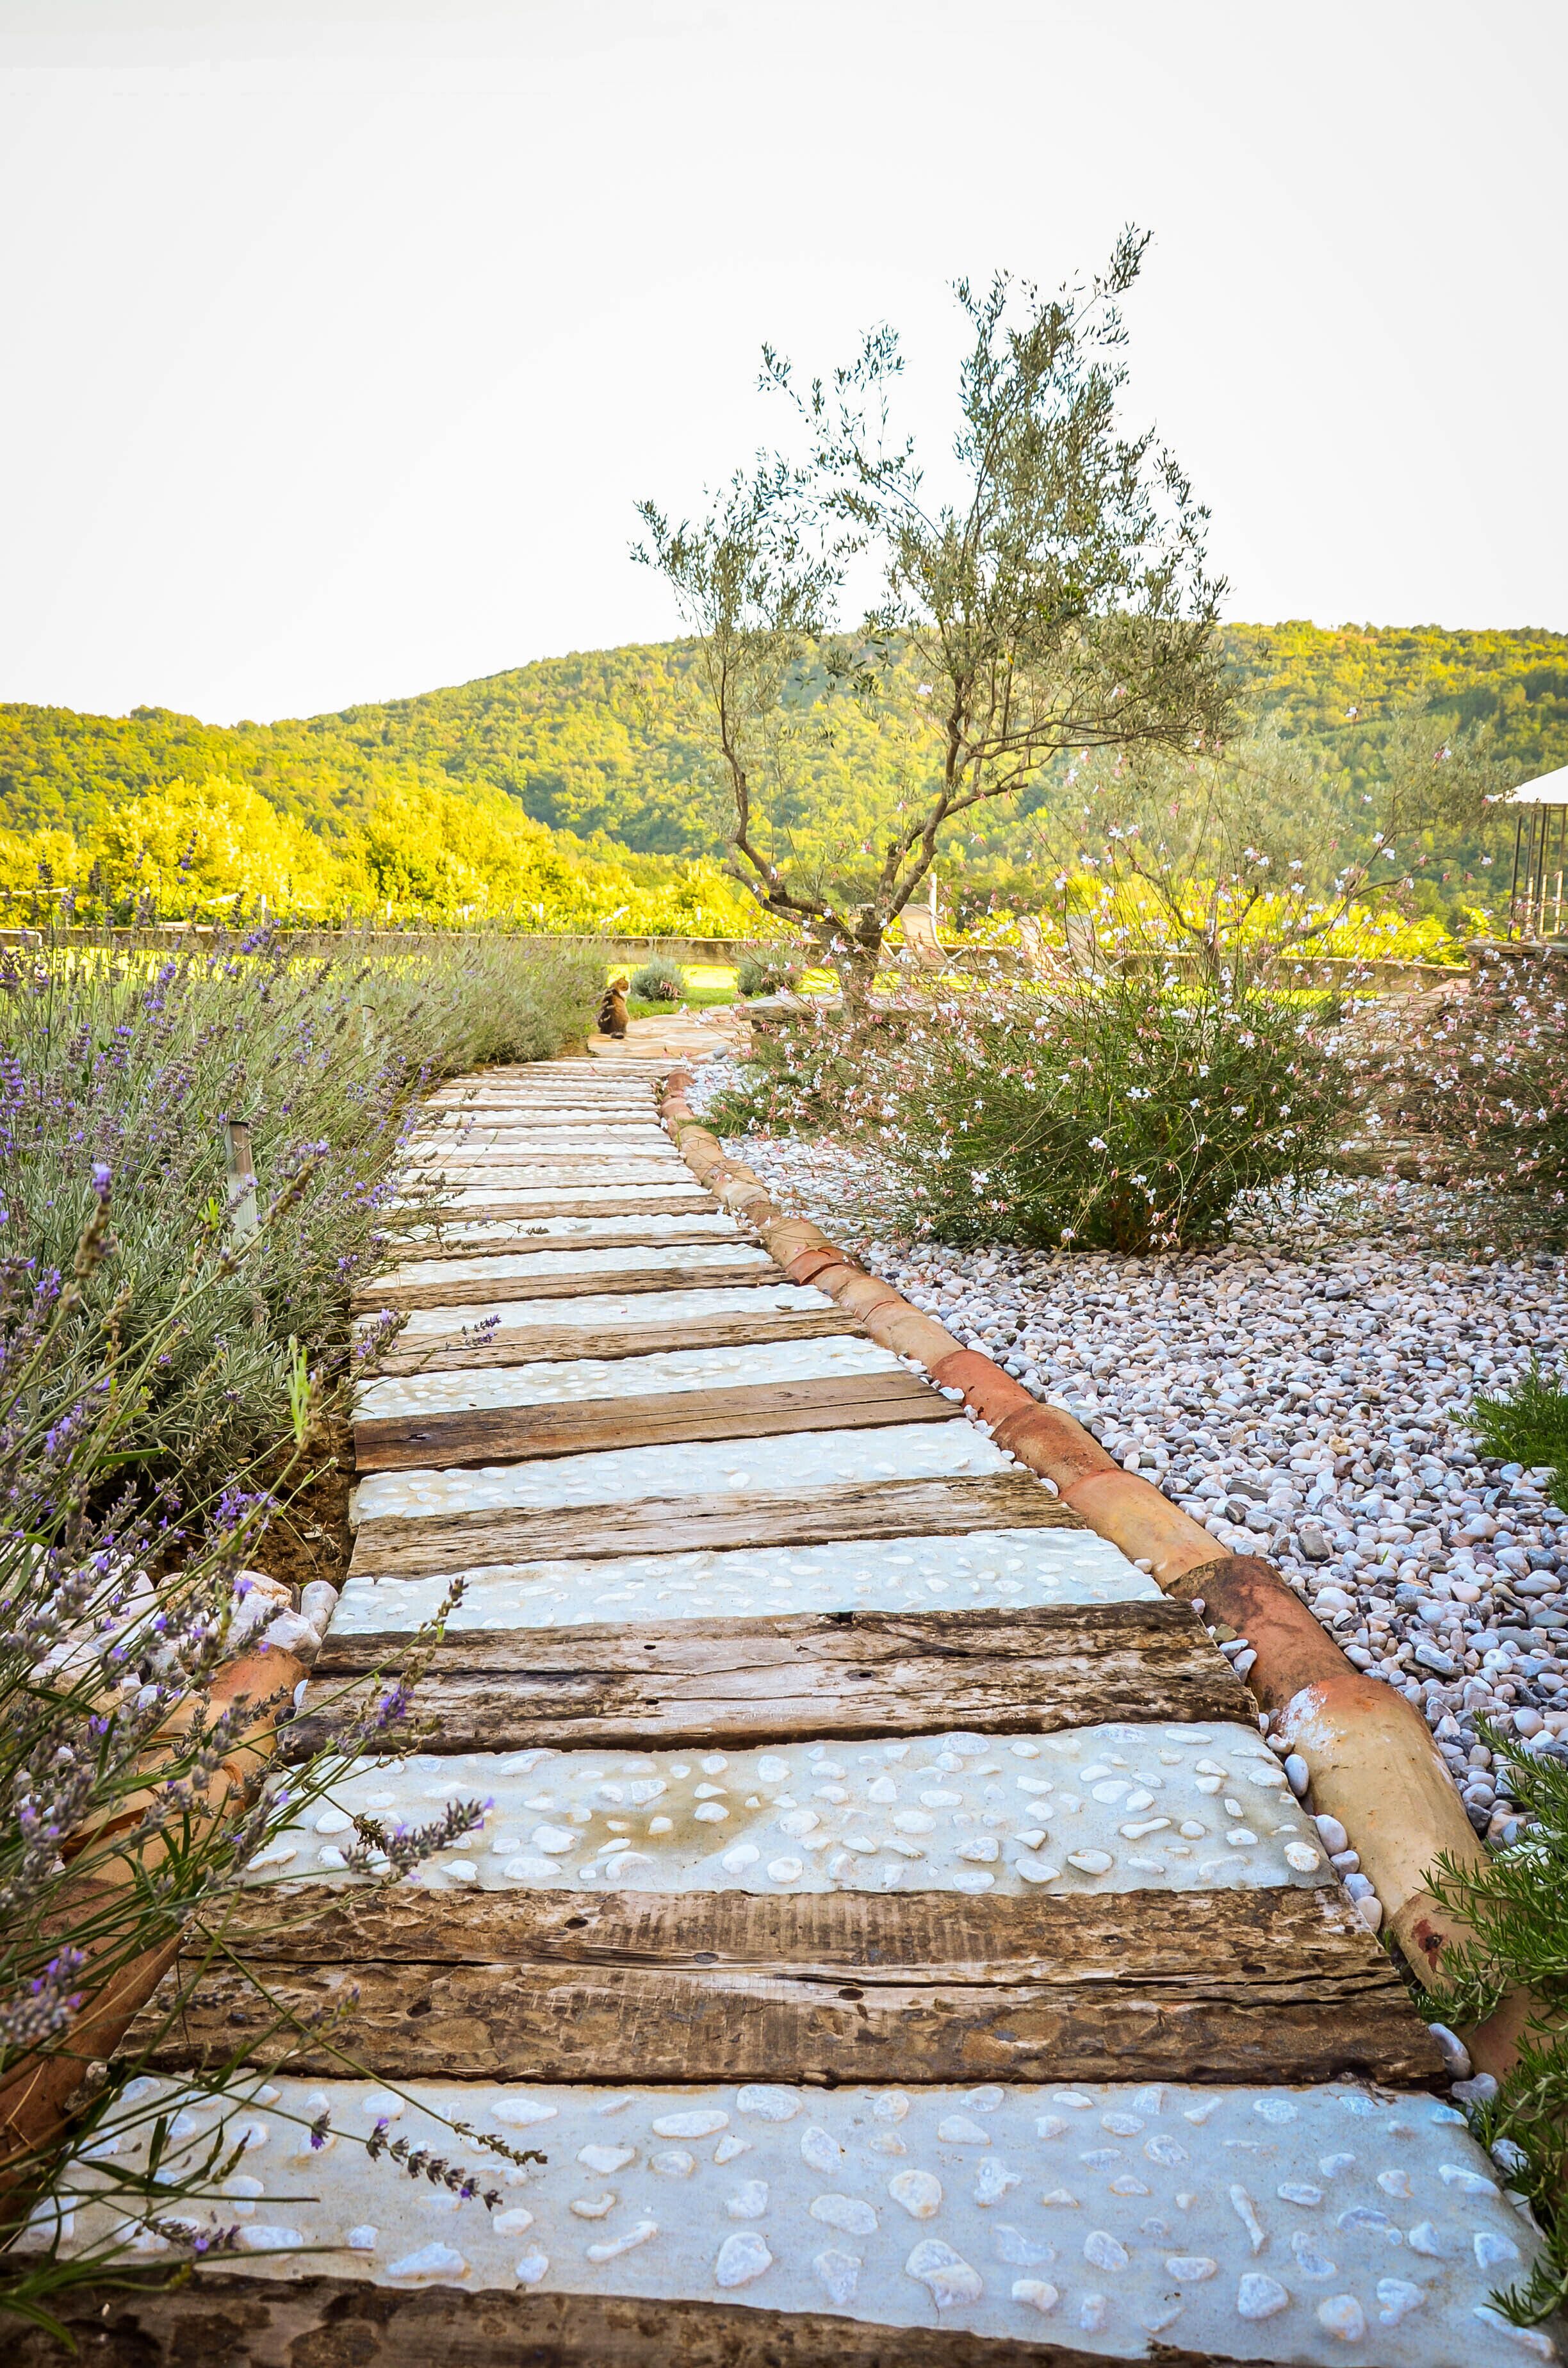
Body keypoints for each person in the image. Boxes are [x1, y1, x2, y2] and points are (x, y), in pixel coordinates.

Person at [597, 974, 628, 1038]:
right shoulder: (617, 995)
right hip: (620, 1027)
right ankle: (619, 1030)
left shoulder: (607, 994)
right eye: (624, 987)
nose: (627, 989)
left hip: (606, 1029)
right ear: (618, 985)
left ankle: (610, 1030)